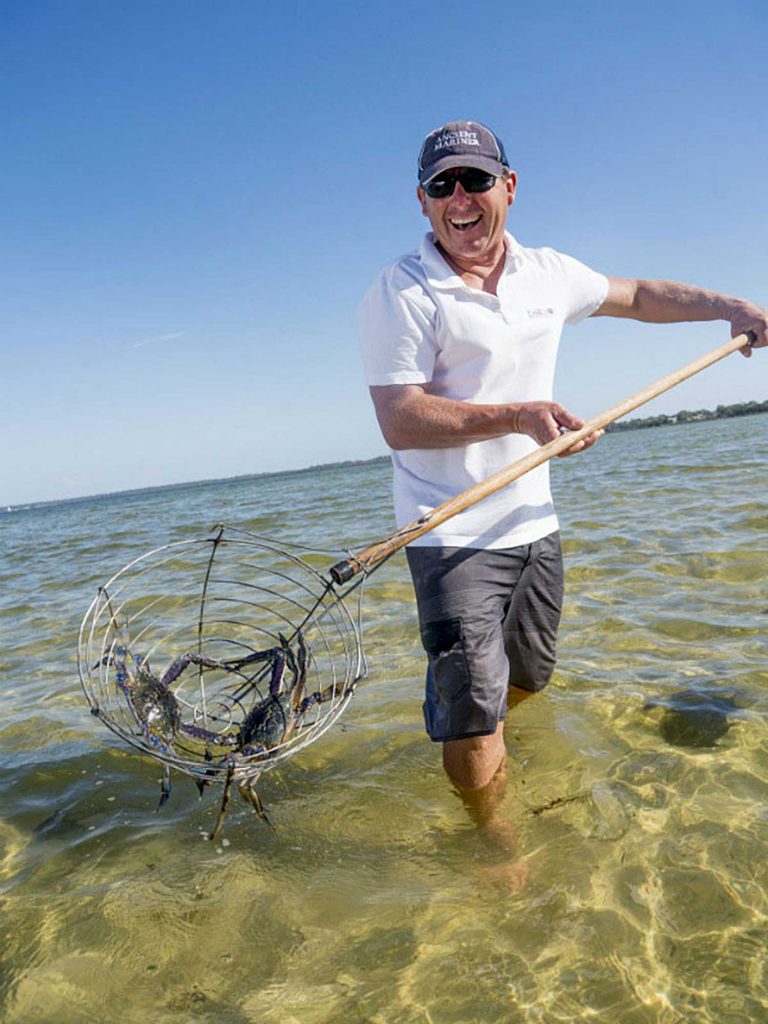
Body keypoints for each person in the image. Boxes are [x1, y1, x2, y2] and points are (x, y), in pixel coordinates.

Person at [358, 119, 767, 826]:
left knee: (529, 680)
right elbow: (400, 418)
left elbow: (636, 295)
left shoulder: (547, 273)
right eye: (442, 185)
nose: (460, 197)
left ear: (508, 187)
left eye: (476, 180)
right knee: (477, 716)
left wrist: (726, 308)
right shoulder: (402, 292)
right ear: (421, 201)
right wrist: (520, 416)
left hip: (533, 524)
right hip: (449, 533)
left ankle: (467, 714)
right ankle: (496, 855)